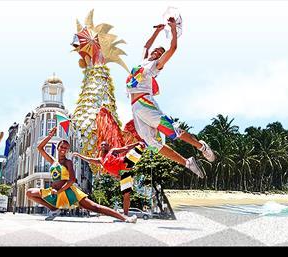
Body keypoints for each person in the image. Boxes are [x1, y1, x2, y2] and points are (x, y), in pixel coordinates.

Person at [125, 17, 216, 179]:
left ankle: (201, 146)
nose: (157, 52)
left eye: (160, 53)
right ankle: (188, 163)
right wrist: (157, 31)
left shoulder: (155, 67)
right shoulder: (143, 62)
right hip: (134, 107)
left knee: (172, 130)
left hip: (145, 103)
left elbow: (173, 48)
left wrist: (173, 28)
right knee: (152, 145)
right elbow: (146, 46)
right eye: (157, 51)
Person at [25, 127, 138, 223]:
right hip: (54, 192)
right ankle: (53, 208)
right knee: (30, 193)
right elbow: (40, 148)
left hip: (69, 192)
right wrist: (49, 136)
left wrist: (59, 191)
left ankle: (124, 218)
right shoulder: (53, 161)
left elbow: (72, 180)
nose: (64, 149)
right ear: (58, 147)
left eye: (66, 148)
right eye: (62, 147)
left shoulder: (67, 162)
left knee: (95, 207)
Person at [73, 141, 145, 216]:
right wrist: (79, 155)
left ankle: (143, 144)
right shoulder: (100, 160)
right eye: (102, 144)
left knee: (139, 148)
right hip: (123, 173)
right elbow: (89, 159)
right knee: (126, 194)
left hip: (126, 161)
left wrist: (136, 144)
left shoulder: (112, 151)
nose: (103, 145)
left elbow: (126, 148)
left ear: (108, 146)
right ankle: (125, 215)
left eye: (105, 144)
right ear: (100, 147)